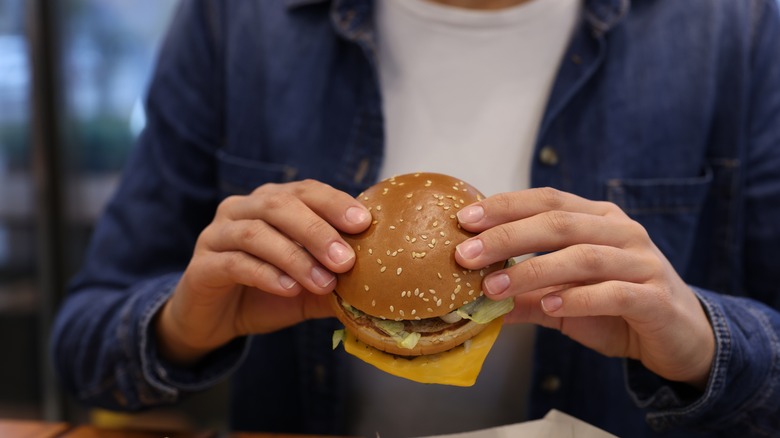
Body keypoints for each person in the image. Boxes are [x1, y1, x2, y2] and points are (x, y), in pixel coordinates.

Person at [50, 0, 780, 436]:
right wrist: (181, 330)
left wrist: (706, 348)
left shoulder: (738, 30)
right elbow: (80, 345)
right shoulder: (238, 20)